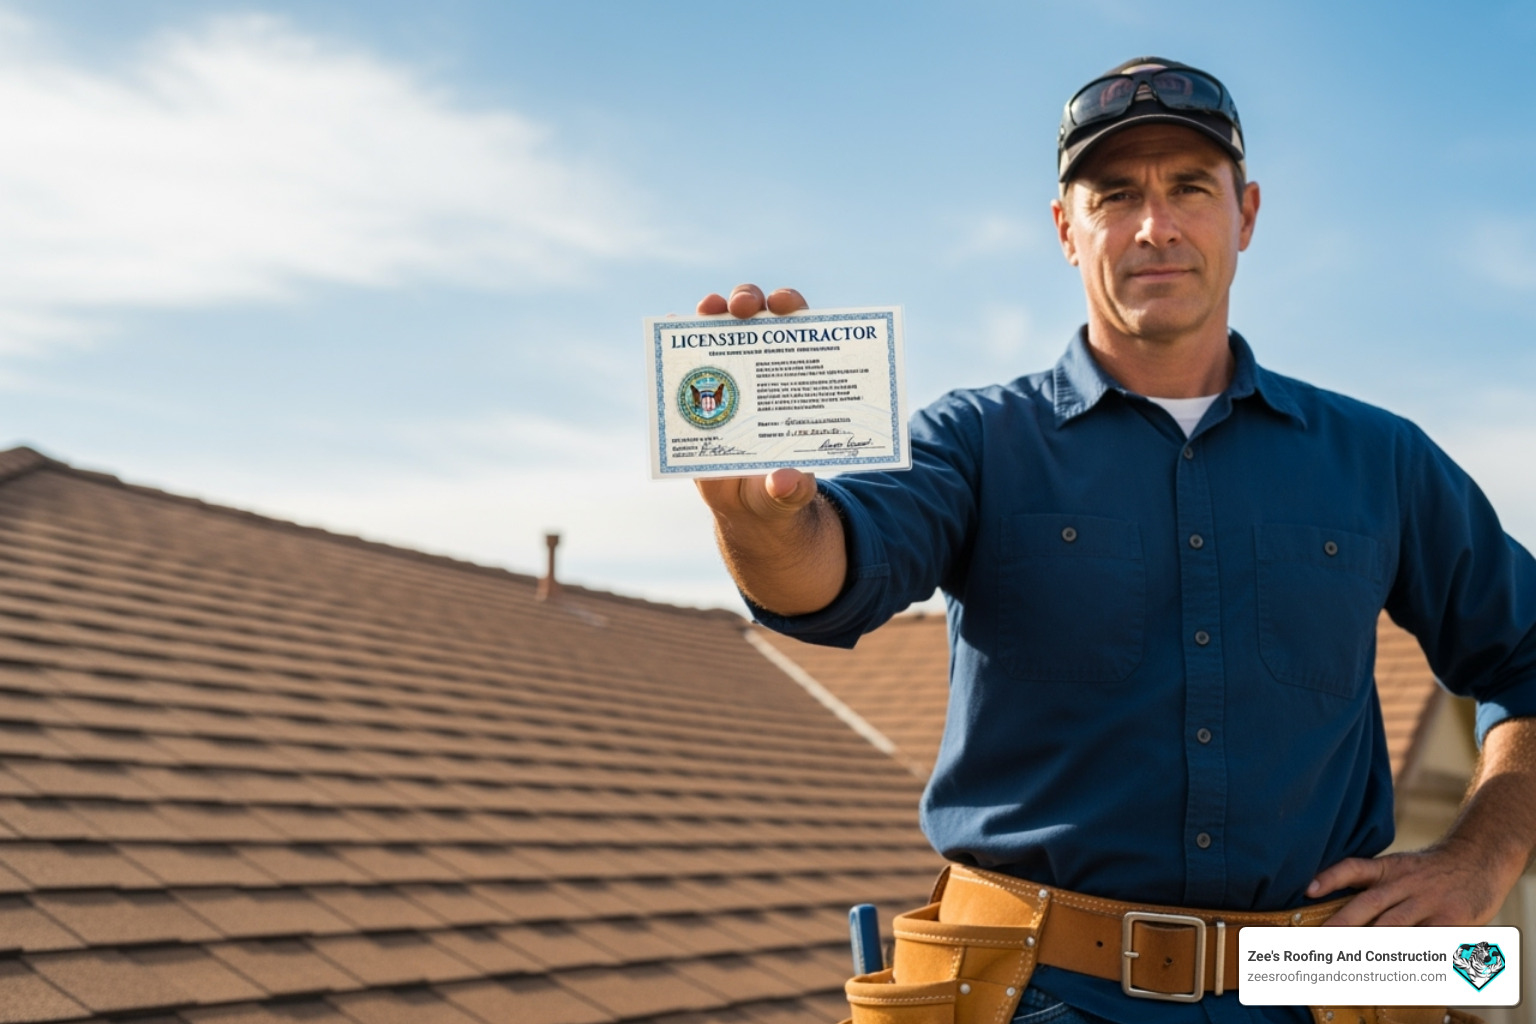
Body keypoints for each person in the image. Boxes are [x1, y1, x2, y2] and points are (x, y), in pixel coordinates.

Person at [692, 58, 1536, 1024]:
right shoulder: (974, 441)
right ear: (1066, 227)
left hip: (1324, 993)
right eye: (1116, 195)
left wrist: (1483, 857)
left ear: (1246, 213)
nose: (1155, 227)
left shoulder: (1380, 460)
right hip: (1029, 991)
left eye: (1188, 189)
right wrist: (759, 519)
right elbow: (826, 571)